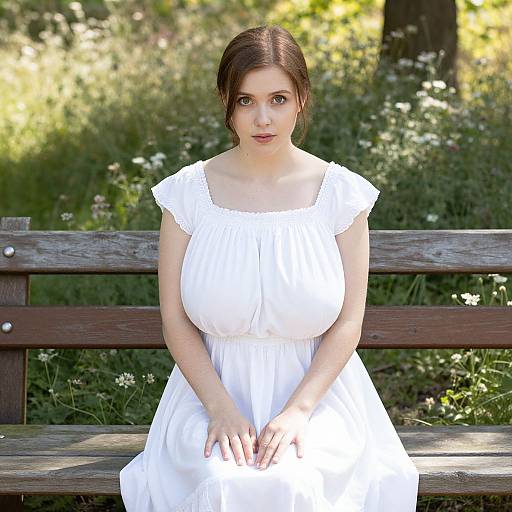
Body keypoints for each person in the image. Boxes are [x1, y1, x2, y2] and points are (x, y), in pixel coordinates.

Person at [120, 24, 419, 511]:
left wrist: (299, 412)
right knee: (223, 483)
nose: (263, 118)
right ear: (226, 101)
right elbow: (174, 319)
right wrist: (219, 409)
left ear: (301, 98)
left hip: (319, 399)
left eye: (278, 99)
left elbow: (348, 323)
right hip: (208, 394)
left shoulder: (340, 194)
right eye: (246, 101)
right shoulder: (187, 194)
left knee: (294, 483)